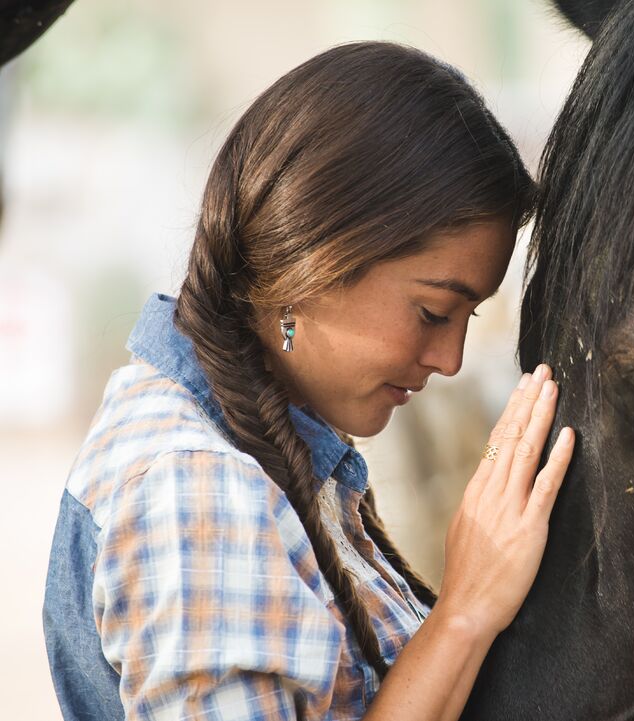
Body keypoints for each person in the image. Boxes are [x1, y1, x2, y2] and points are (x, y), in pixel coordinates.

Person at [42, 42, 575, 721]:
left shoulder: (262, 457)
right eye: (434, 311)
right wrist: (466, 611)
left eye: (470, 317)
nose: (451, 359)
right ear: (314, 258)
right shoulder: (195, 488)